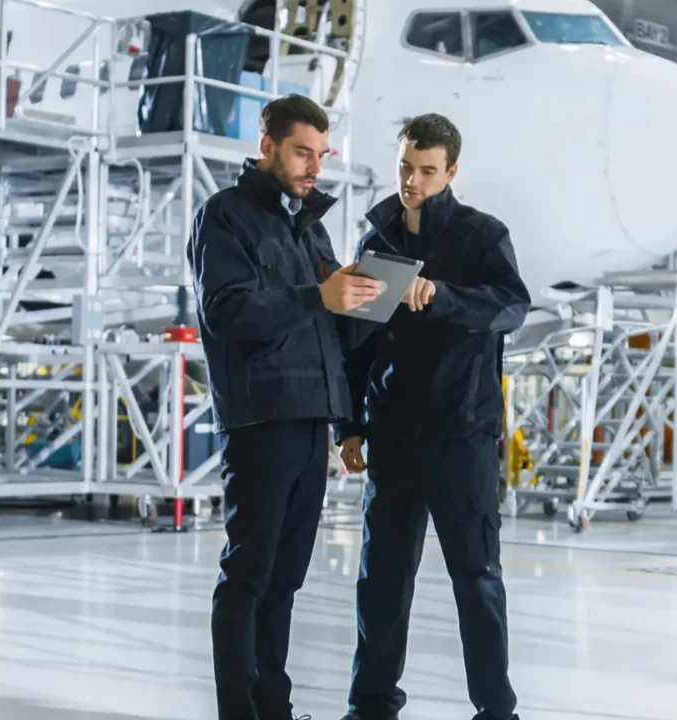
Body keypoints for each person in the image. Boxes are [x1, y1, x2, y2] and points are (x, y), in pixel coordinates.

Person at [188, 93, 381, 720]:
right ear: (267, 145)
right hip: (261, 423)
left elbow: (331, 330)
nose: (313, 167)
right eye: (303, 152)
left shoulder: (311, 226)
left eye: (321, 155)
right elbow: (227, 312)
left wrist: (363, 299)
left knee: (285, 582)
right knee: (248, 576)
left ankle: (274, 708)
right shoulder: (225, 217)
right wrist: (317, 294)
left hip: (311, 423)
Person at [336, 113, 532, 720]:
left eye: (426, 171)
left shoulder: (481, 237)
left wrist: (442, 296)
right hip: (393, 436)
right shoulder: (378, 243)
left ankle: (496, 711)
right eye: (405, 167)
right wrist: (349, 425)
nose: (412, 181)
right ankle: (370, 706)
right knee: (382, 581)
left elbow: (512, 307)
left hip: (460, 437)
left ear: (451, 171)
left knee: (476, 580)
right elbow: (359, 344)